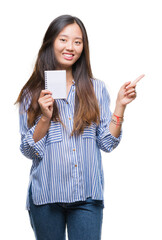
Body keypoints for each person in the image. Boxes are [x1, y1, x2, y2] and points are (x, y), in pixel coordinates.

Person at [16, 15, 144, 240]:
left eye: (78, 41)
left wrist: (120, 106)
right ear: (51, 43)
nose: (70, 47)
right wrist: (45, 118)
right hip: (46, 196)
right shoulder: (33, 92)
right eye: (63, 39)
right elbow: (28, 151)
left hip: (87, 197)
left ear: (83, 47)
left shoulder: (95, 88)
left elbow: (107, 143)